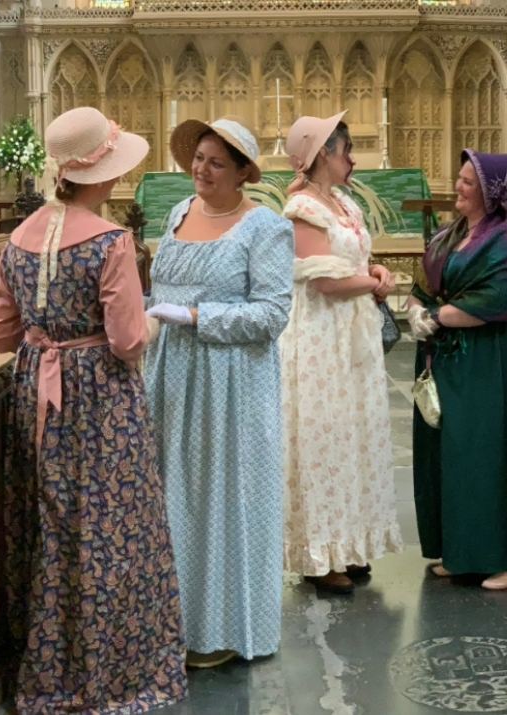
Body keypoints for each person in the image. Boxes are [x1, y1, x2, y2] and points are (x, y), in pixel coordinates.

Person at [0, 106, 185, 713]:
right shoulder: (110, 241)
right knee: (111, 529)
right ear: (100, 173)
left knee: (51, 525)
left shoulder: (18, 237)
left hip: (37, 391)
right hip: (100, 398)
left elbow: (2, 333)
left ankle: (50, 667)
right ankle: (114, 673)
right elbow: (127, 340)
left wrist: (47, 341)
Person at [143, 117, 293, 668]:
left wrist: (197, 315)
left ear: (242, 173)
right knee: (173, 495)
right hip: (170, 373)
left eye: (214, 163)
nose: (200, 170)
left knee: (223, 498)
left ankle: (224, 630)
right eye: (198, 158)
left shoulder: (265, 228)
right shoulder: (178, 212)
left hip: (230, 380)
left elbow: (273, 314)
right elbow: (160, 287)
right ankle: (173, 624)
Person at [408, 150, 507, 592]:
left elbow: (498, 298)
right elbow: (422, 279)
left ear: (492, 192)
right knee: (452, 456)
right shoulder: (452, 232)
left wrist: (436, 318)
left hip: (492, 360)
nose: (458, 186)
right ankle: (460, 552)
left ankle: (502, 557)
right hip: (449, 356)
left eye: (468, 181)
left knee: (490, 454)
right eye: (459, 178)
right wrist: (416, 308)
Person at [280, 111, 403, 595]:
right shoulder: (303, 210)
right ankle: (317, 555)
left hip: (353, 335)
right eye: (345, 149)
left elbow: (353, 261)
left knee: (356, 437)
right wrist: (373, 282)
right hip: (320, 340)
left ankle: (349, 545)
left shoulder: (342, 204)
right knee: (324, 442)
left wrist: (377, 273)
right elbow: (326, 281)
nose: (352, 158)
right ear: (322, 154)